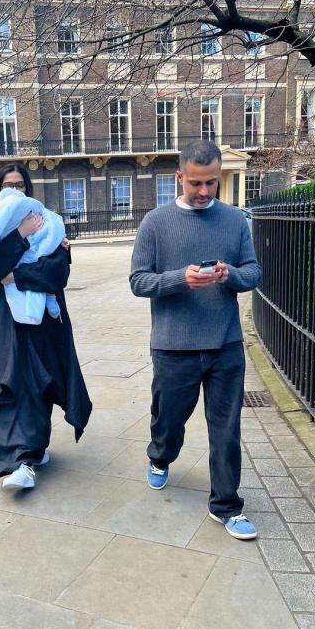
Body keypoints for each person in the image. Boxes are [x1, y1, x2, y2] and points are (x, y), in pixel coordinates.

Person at [130, 140, 262, 540]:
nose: (204, 192)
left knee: (226, 427)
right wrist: (179, 279)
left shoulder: (235, 220)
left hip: (225, 344)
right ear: (179, 177)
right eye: (196, 184)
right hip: (173, 346)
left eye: (211, 183)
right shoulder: (155, 222)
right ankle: (160, 456)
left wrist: (230, 276)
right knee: (169, 421)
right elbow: (138, 280)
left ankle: (226, 505)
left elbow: (253, 272)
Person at [0, 163, 92, 490]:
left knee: (40, 385)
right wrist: (19, 235)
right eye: (8, 185)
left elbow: (56, 273)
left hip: (41, 325)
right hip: (3, 324)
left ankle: (31, 453)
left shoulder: (48, 224)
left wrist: (18, 276)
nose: (15, 191)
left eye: (20, 185)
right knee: (7, 386)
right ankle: (17, 461)